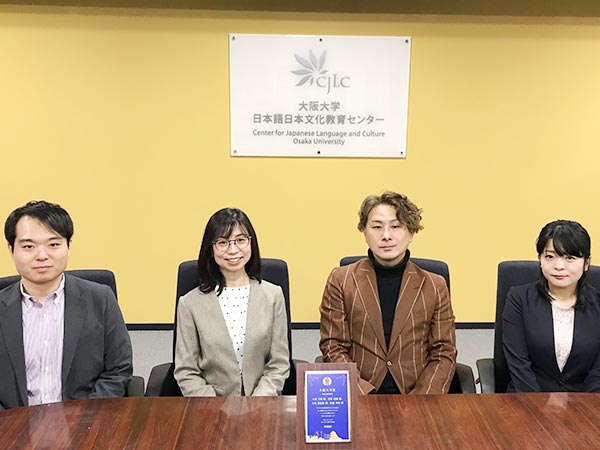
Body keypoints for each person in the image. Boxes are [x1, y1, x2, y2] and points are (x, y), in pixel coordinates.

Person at [319, 191, 457, 395]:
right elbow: (333, 346)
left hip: (417, 396)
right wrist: (362, 394)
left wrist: (420, 400)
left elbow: (443, 351)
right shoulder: (341, 280)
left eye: (396, 226)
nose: (386, 235)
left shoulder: (434, 285)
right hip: (362, 394)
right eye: (376, 227)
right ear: (364, 233)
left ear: (411, 232)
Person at [0, 201, 132, 410]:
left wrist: (82, 418)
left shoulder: (101, 299)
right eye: (28, 247)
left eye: (53, 245)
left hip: (85, 421)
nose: (42, 256)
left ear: (69, 246)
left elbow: (118, 369)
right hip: (11, 424)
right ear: (11, 249)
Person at [174, 208, 290, 396]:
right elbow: (186, 372)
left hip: (263, 402)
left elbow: (279, 363)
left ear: (251, 243)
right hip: (210, 405)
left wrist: (258, 400)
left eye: (240, 240)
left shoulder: (273, 295)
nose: (233, 250)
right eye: (222, 242)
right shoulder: (189, 304)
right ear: (211, 249)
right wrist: (216, 405)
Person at [503, 220, 600, 392]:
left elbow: (597, 374)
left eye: (570, 258)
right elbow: (518, 365)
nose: (558, 266)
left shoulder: (597, 304)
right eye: (550, 256)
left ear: (586, 263)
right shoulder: (519, 299)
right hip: (527, 399)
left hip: (586, 401)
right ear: (540, 259)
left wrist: (586, 406)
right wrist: (537, 405)